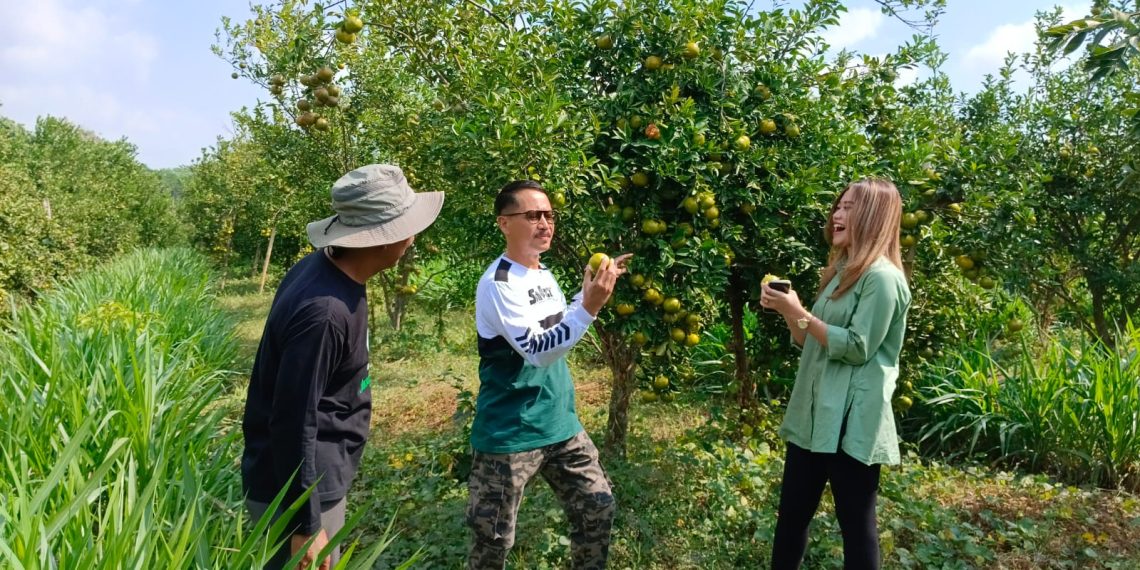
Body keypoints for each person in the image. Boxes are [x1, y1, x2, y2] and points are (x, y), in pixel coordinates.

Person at [241, 164, 443, 570]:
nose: (413, 237)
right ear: (383, 239)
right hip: (297, 492)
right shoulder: (325, 314)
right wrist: (305, 521)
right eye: (407, 227)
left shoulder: (324, 268)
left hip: (311, 478)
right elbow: (292, 421)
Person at [466, 180, 630, 570]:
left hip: (560, 424)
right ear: (504, 223)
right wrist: (590, 306)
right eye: (533, 215)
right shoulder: (498, 285)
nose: (545, 223)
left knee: (597, 509)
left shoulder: (543, 274)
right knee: (492, 542)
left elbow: (558, 324)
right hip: (510, 433)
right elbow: (539, 352)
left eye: (549, 215)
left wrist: (585, 295)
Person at [760, 178, 911, 570]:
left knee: (856, 527)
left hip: (851, 421)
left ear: (873, 216)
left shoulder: (883, 278)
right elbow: (807, 338)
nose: (837, 214)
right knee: (791, 518)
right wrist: (787, 311)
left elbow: (859, 346)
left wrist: (800, 313)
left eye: (848, 208)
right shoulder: (842, 271)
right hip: (814, 416)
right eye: (838, 207)